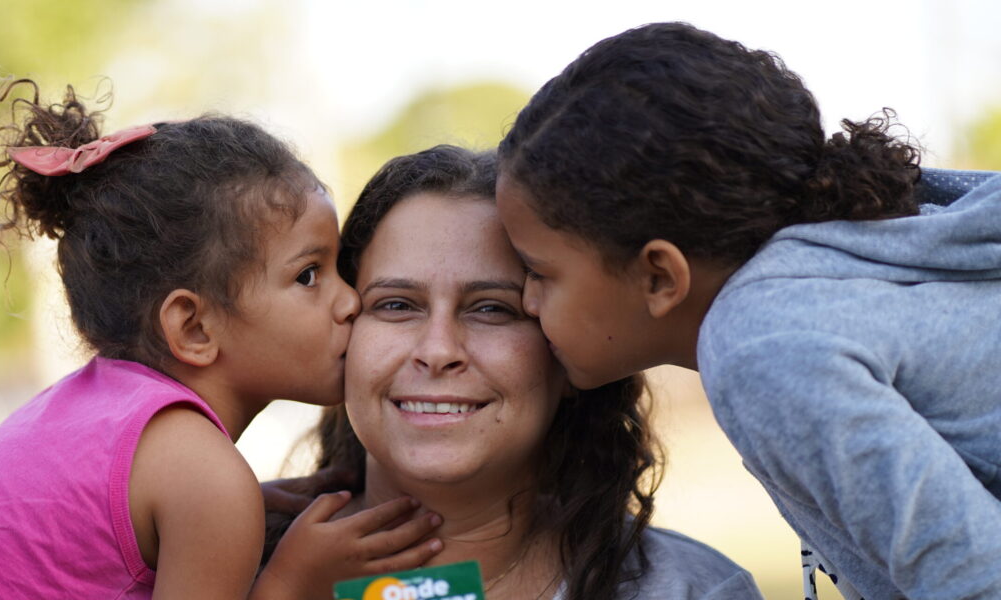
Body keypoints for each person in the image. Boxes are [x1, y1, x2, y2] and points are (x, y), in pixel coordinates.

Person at [0, 80, 441, 599]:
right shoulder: (203, 480)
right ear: (194, 327)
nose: (350, 299)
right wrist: (292, 580)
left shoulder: (103, 412)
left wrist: (243, 509)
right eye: (309, 274)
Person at [495, 22, 1001, 600]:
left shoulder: (763, 344)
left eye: (539, 271)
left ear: (659, 275)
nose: (526, 300)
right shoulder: (836, 280)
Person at [263, 145, 764, 600]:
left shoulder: (693, 590)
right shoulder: (223, 562)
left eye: (492, 310)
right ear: (342, 328)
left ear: (566, 351)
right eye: (396, 304)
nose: (438, 351)